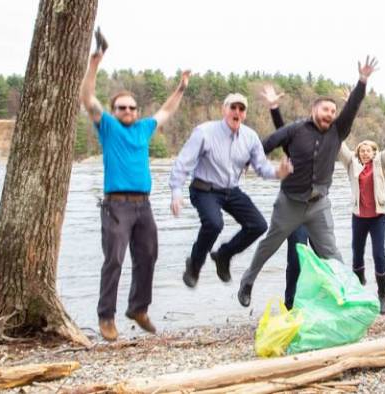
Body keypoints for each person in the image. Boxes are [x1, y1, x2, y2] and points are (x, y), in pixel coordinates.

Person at [236, 57, 379, 307]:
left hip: (318, 205)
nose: (330, 115)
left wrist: (362, 81)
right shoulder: (295, 129)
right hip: (290, 203)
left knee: (332, 254)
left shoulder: (337, 131)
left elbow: (353, 106)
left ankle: (350, 296)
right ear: (314, 110)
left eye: (333, 112)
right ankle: (247, 281)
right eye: (326, 110)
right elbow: (267, 143)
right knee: (269, 244)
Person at [80, 45, 189, 341]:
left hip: (144, 205)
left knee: (148, 255)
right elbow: (87, 98)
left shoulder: (143, 128)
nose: (127, 111)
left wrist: (180, 87)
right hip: (117, 205)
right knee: (114, 258)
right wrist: (94, 63)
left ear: (137, 111)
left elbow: (166, 111)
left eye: (131, 107)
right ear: (113, 111)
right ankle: (106, 317)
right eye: (121, 107)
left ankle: (138, 309)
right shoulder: (108, 127)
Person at [169, 93, 293, 290]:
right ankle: (194, 264)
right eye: (232, 108)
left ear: (244, 114)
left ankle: (223, 255)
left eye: (241, 109)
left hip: (230, 190)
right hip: (204, 189)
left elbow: (261, 167)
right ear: (223, 110)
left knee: (258, 225)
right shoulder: (204, 132)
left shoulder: (250, 137)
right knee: (214, 223)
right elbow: (183, 162)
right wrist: (177, 190)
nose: (237, 112)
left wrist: (278, 172)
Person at [337, 113, 385, 314]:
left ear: (374, 152)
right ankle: (359, 287)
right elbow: (339, 144)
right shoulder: (352, 164)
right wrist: (340, 117)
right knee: (357, 255)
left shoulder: (382, 163)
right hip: (359, 217)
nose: (364, 153)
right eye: (361, 150)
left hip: (378, 217)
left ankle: (381, 295)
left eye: (368, 150)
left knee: (379, 253)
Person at [259, 84, 310, 311]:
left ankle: (322, 300)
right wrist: (274, 107)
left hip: (317, 210)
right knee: (296, 257)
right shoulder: (293, 148)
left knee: (325, 257)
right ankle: (291, 305)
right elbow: (282, 129)